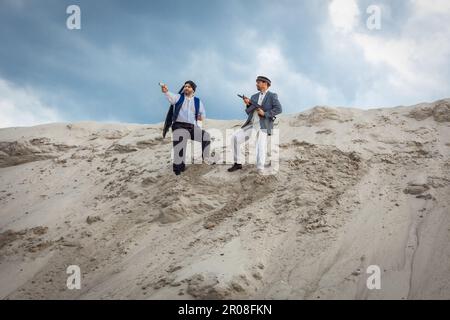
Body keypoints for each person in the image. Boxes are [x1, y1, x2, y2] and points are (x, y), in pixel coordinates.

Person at [228, 76, 282, 174]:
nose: (256, 84)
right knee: (234, 138)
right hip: (252, 124)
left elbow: (279, 109)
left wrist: (265, 113)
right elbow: (249, 112)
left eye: (258, 82)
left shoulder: (272, 96)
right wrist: (248, 104)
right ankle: (237, 163)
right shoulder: (254, 97)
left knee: (260, 146)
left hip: (263, 125)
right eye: (256, 82)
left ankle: (260, 168)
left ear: (265, 83)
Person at [161, 80, 212, 175]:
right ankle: (178, 171)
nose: (186, 88)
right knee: (179, 148)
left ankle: (205, 157)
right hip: (179, 126)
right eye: (185, 86)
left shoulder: (197, 101)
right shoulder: (178, 97)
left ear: (193, 89)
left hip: (191, 127)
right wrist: (166, 91)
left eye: (188, 86)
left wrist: (200, 117)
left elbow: (203, 113)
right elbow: (170, 97)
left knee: (206, 136)